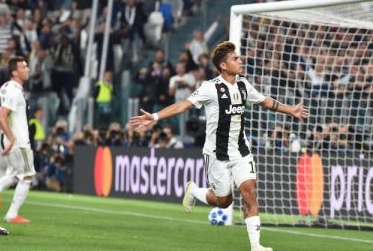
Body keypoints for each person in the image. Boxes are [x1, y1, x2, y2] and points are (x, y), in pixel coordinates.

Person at [130, 41, 309, 251]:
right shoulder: (210, 88)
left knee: (249, 191)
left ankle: (256, 246)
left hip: (241, 149)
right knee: (224, 201)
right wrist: (156, 116)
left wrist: (291, 111)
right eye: (235, 58)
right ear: (223, 65)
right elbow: (184, 104)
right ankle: (194, 190)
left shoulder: (243, 84)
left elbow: (265, 101)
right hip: (217, 153)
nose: (240, 61)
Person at [0, 56, 35, 223]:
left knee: (14, 175)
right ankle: (12, 214)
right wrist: (11, 138)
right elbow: (1, 116)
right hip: (19, 141)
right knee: (27, 176)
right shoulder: (15, 90)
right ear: (14, 72)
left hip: (8, 139)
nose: (27, 69)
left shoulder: (5, 87)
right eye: (23, 67)